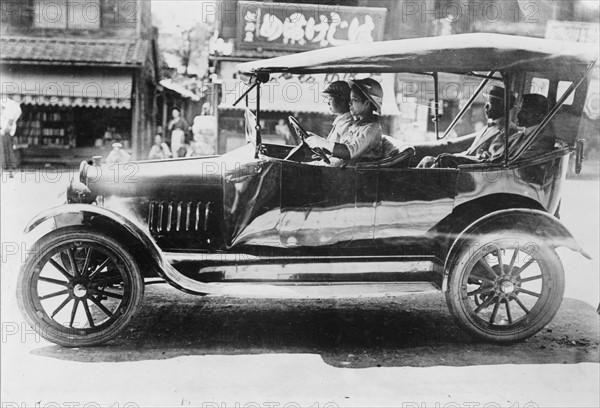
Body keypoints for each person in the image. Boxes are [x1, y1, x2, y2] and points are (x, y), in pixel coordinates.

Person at [418, 85, 517, 168]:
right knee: (427, 160)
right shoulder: (489, 127)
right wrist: (454, 156)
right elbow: (470, 152)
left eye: (490, 103)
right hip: (464, 165)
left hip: (470, 171)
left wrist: (455, 159)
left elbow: (490, 161)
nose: (485, 106)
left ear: (502, 105)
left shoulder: (507, 131)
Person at [305, 78, 383, 166]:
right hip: (345, 169)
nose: (349, 103)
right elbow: (343, 145)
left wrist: (323, 143)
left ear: (366, 104)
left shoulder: (372, 129)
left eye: (354, 100)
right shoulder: (358, 125)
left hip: (356, 175)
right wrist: (321, 142)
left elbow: (350, 152)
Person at [486, 93, 554, 161]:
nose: (518, 114)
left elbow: (518, 162)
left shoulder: (544, 141)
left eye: (524, 111)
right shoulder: (516, 136)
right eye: (519, 109)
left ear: (539, 115)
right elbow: (497, 156)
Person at [0, 98, 22, 173]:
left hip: (5, 134)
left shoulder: (10, 115)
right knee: (4, 150)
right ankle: (5, 165)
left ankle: (8, 165)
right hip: (4, 133)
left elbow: (9, 125)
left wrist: (3, 130)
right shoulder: (3, 116)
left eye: (3, 108)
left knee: (6, 149)